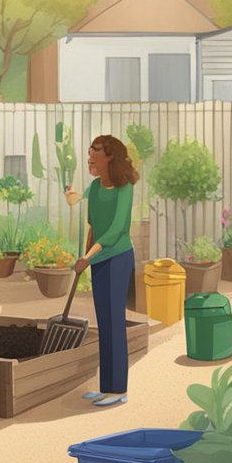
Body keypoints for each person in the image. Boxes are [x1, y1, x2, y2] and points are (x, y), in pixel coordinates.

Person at [71, 135, 138, 408]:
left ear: (109, 156)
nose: (90, 159)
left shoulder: (125, 189)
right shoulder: (95, 188)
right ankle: (106, 387)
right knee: (104, 325)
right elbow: (94, 226)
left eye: (94, 154)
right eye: (89, 155)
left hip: (118, 258)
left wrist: (88, 256)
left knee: (115, 324)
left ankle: (118, 390)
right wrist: (84, 260)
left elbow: (116, 230)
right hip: (98, 261)